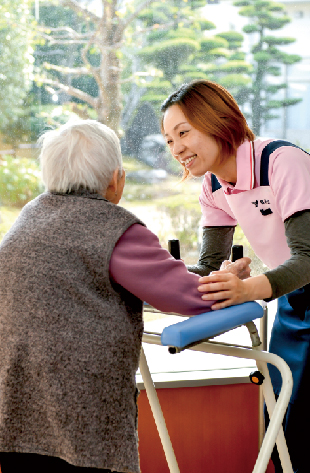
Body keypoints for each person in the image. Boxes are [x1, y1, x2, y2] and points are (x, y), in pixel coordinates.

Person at [0, 120, 216, 473]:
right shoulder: (112, 228)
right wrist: (234, 285)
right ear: (115, 179)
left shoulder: (31, 215)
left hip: (16, 402)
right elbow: (188, 297)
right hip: (78, 407)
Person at [161, 79, 310, 473]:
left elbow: (309, 259)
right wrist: (159, 276)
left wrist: (246, 289)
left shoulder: (281, 162)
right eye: (168, 140)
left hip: (298, 282)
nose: (176, 149)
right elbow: (209, 266)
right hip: (296, 301)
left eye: (183, 133)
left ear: (216, 120)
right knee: (280, 420)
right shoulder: (212, 185)